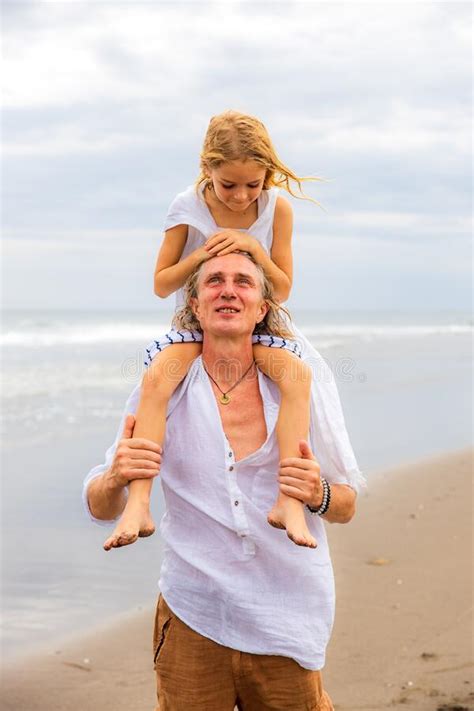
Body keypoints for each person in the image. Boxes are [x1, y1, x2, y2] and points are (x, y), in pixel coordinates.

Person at [83, 251, 363, 710]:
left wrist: (318, 493)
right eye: (214, 280)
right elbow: (99, 506)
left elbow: (348, 505)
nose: (228, 289)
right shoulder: (166, 385)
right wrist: (116, 476)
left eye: (244, 282)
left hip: (287, 619)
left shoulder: (299, 387)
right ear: (195, 304)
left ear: (262, 308)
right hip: (194, 614)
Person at [102, 109, 364, 553]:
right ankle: (139, 503)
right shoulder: (187, 205)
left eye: (253, 184)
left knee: (298, 379)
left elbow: (280, 288)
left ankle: (289, 502)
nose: (242, 197)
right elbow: (162, 282)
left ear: (267, 177)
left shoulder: (277, 209)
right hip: (196, 321)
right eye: (229, 185)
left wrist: (250, 249)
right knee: (159, 377)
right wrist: (202, 253)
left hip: (265, 319)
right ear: (208, 170)